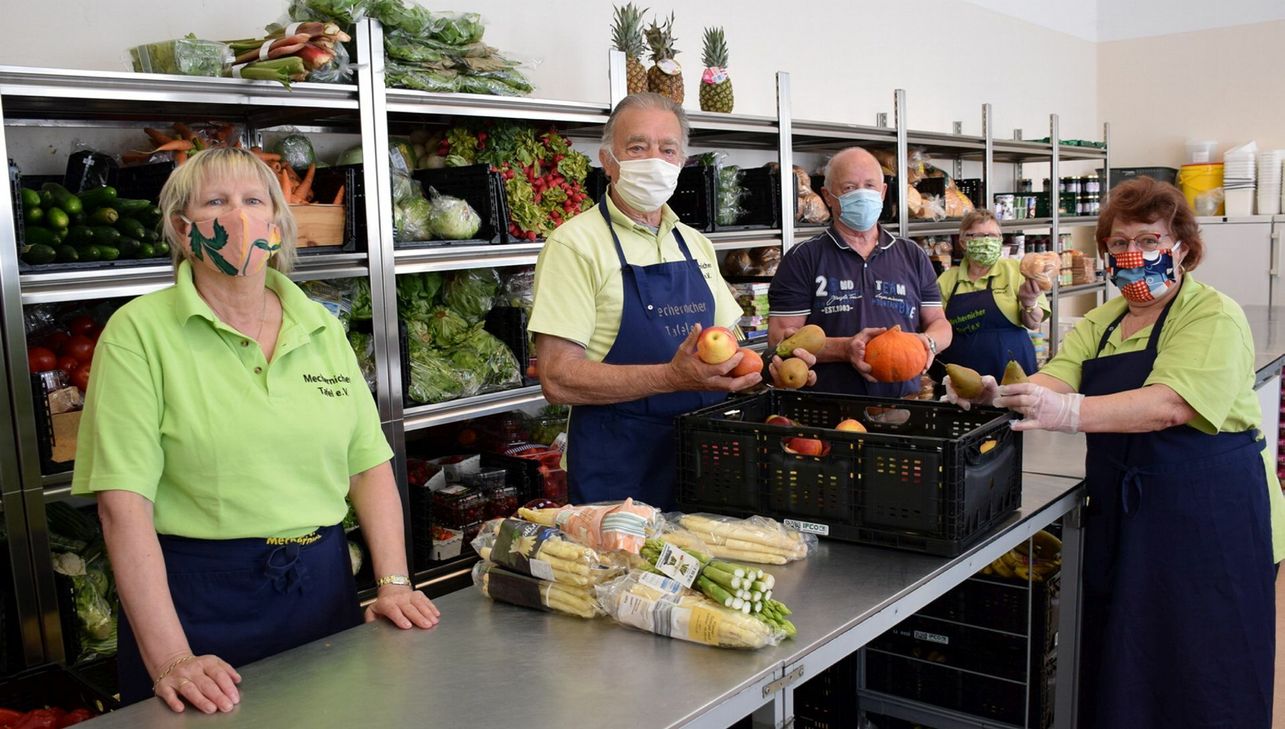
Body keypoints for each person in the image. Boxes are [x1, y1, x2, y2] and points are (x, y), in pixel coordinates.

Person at [71, 147, 440, 714]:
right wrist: (172, 657)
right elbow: (123, 506)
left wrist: (392, 580)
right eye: (215, 202)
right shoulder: (139, 334)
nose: (238, 218)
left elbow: (367, 465)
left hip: (319, 584)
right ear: (179, 227)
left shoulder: (319, 325)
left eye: (253, 201)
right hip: (198, 600)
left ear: (277, 221)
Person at [947, 177, 1285, 728]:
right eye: (1120, 242)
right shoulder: (1103, 322)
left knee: (1207, 673)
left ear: (1182, 247)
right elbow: (1055, 378)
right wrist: (997, 393)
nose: (1134, 254)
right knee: (1132, 668)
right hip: (1132, 517)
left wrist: (1074, 414)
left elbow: (1171, 405)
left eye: (1150, 239)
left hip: (1212, 523)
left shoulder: (1212, 315)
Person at [529, 93, 768, 509]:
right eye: (637, 147)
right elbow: (557, 378)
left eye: (668, 149)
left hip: (704, 460)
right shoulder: (575, 244)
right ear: (608, 160)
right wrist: (671, 378)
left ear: (681, 163)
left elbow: (730, 346)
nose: (654, 159)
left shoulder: (696, 244)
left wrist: (766, 371)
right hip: (618, 467)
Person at [768, 147, 952, 397]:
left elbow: (939, 323)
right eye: (849, 188)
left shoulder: (913, 255)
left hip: (906, 404)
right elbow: (780, 339)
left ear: (883, 192)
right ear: (828, 196)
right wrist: (845, 348)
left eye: (870, 186)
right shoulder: (803, 258)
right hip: (827, 408)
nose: (862, 195)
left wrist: (927, 343)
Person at [934, 209, 1046, 380]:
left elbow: (1033, 323)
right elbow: (935, 323)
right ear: (963, 241)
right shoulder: (948, 279)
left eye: (993, 236)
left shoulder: (1016, 271)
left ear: (1001, 240)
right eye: (978, 236)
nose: (987, 241)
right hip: (962, 373)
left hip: (1011, 369)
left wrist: (1029, 301)